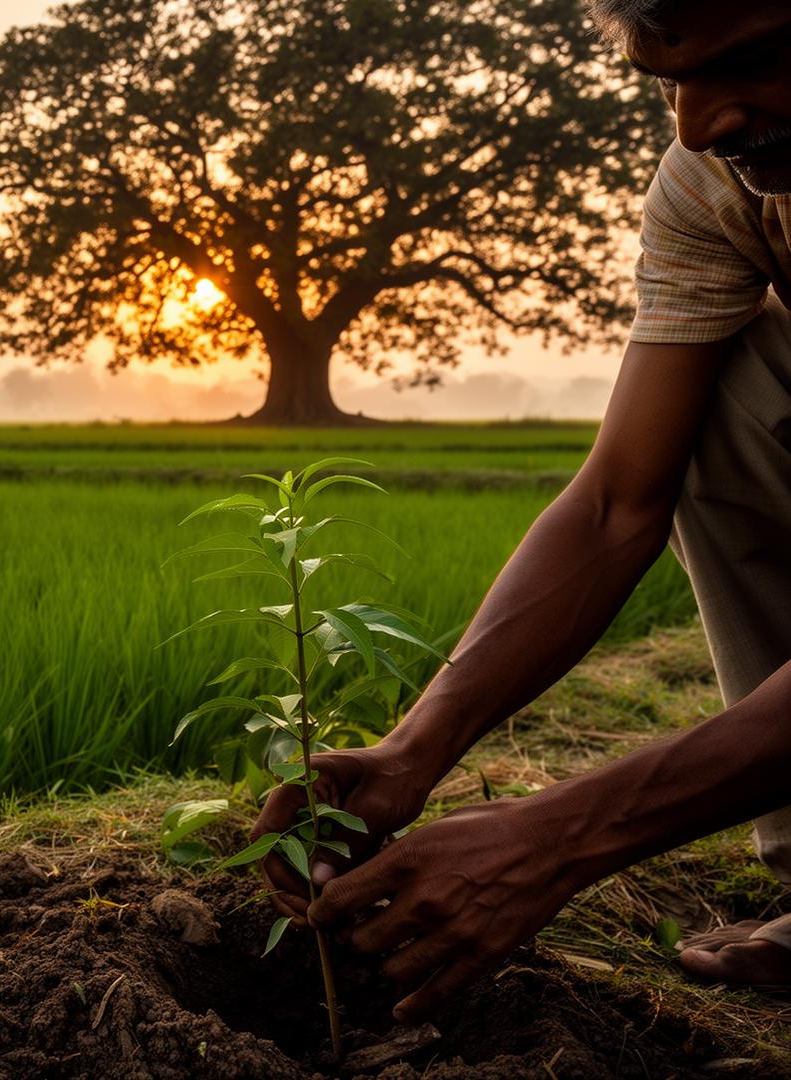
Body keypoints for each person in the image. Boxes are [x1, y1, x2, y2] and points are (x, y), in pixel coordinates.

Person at [254, 0, 791, 1023]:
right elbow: (615, 502)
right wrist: (411, 750)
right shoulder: (719, 183)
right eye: (666, 80)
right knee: (724, 396)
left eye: (754, 61)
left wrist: (559, 837)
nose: (697, 125)